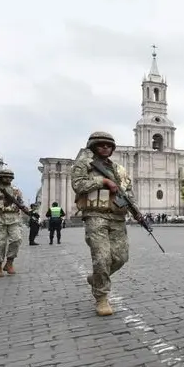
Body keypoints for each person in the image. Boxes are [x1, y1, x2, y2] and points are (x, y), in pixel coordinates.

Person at [71, 131, 136, 316]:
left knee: (121, 257)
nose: (105, 148)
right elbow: (78, 185)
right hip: (95, 215)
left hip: (117, 217)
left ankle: (96, 278)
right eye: (101, 145)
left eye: (109, 146)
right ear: (93, 147)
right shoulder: (84, 165)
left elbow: (128, 192)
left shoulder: (119, 169)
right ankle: (101, 297)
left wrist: (135, 211)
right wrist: (103, 181)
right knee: (102, 258)